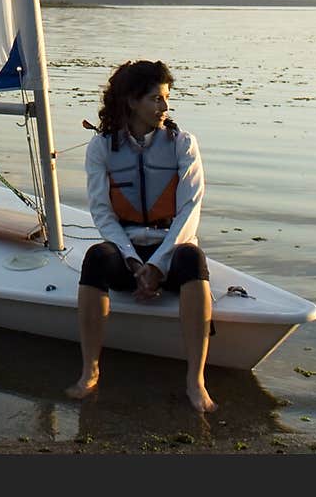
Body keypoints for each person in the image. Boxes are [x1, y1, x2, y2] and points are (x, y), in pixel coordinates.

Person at [65, 58, 216, 413]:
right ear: (132, 102)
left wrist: (159, 265)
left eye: (166, 98)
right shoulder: (102, 147)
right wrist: (133, 261)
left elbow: (189, 211)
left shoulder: (182, 144)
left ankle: (196, 380)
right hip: (127, 250)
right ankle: (90, 370)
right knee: (97, 258)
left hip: (172, 246)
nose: (165, 107)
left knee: (193, 259)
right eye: (156, 99)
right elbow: (102, 212)